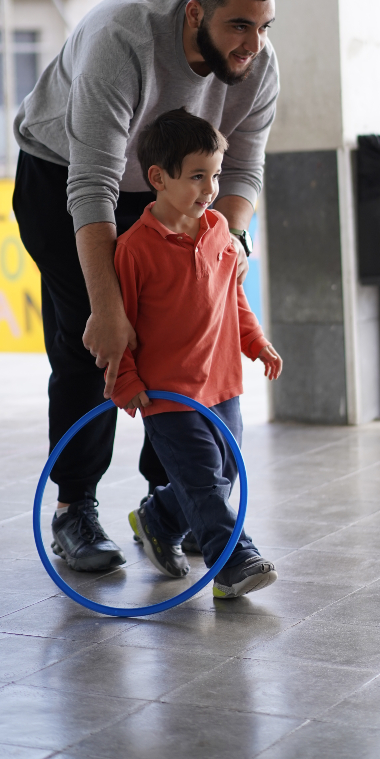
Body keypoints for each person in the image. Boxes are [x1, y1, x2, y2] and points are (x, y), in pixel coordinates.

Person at [13, 0, 279, 572]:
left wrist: (229, 244)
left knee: (185, 337)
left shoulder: (258, 66)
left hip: (177, 189)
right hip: (65, 179)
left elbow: (243, 168)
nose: (253, 45)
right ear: (195, 14)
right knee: (95, 342)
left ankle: (174, 501)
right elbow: (92, 186)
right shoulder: (122, 39)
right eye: (238, 26)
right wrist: (108, 309)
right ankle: (75, 508)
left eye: (264, 27)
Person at [113, 108, 282, 598]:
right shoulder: (134, 249)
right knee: (206, 481)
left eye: (215, 175)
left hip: (221, 382)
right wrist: (125, 379)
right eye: (197, 177)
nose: (210, 189)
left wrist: (254, 341)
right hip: (168, 394)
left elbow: (234, 297)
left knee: (227, 471)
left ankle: (159, 517)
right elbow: (117, 324)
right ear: (158, 179)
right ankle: (232, 562)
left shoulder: (220, 235)